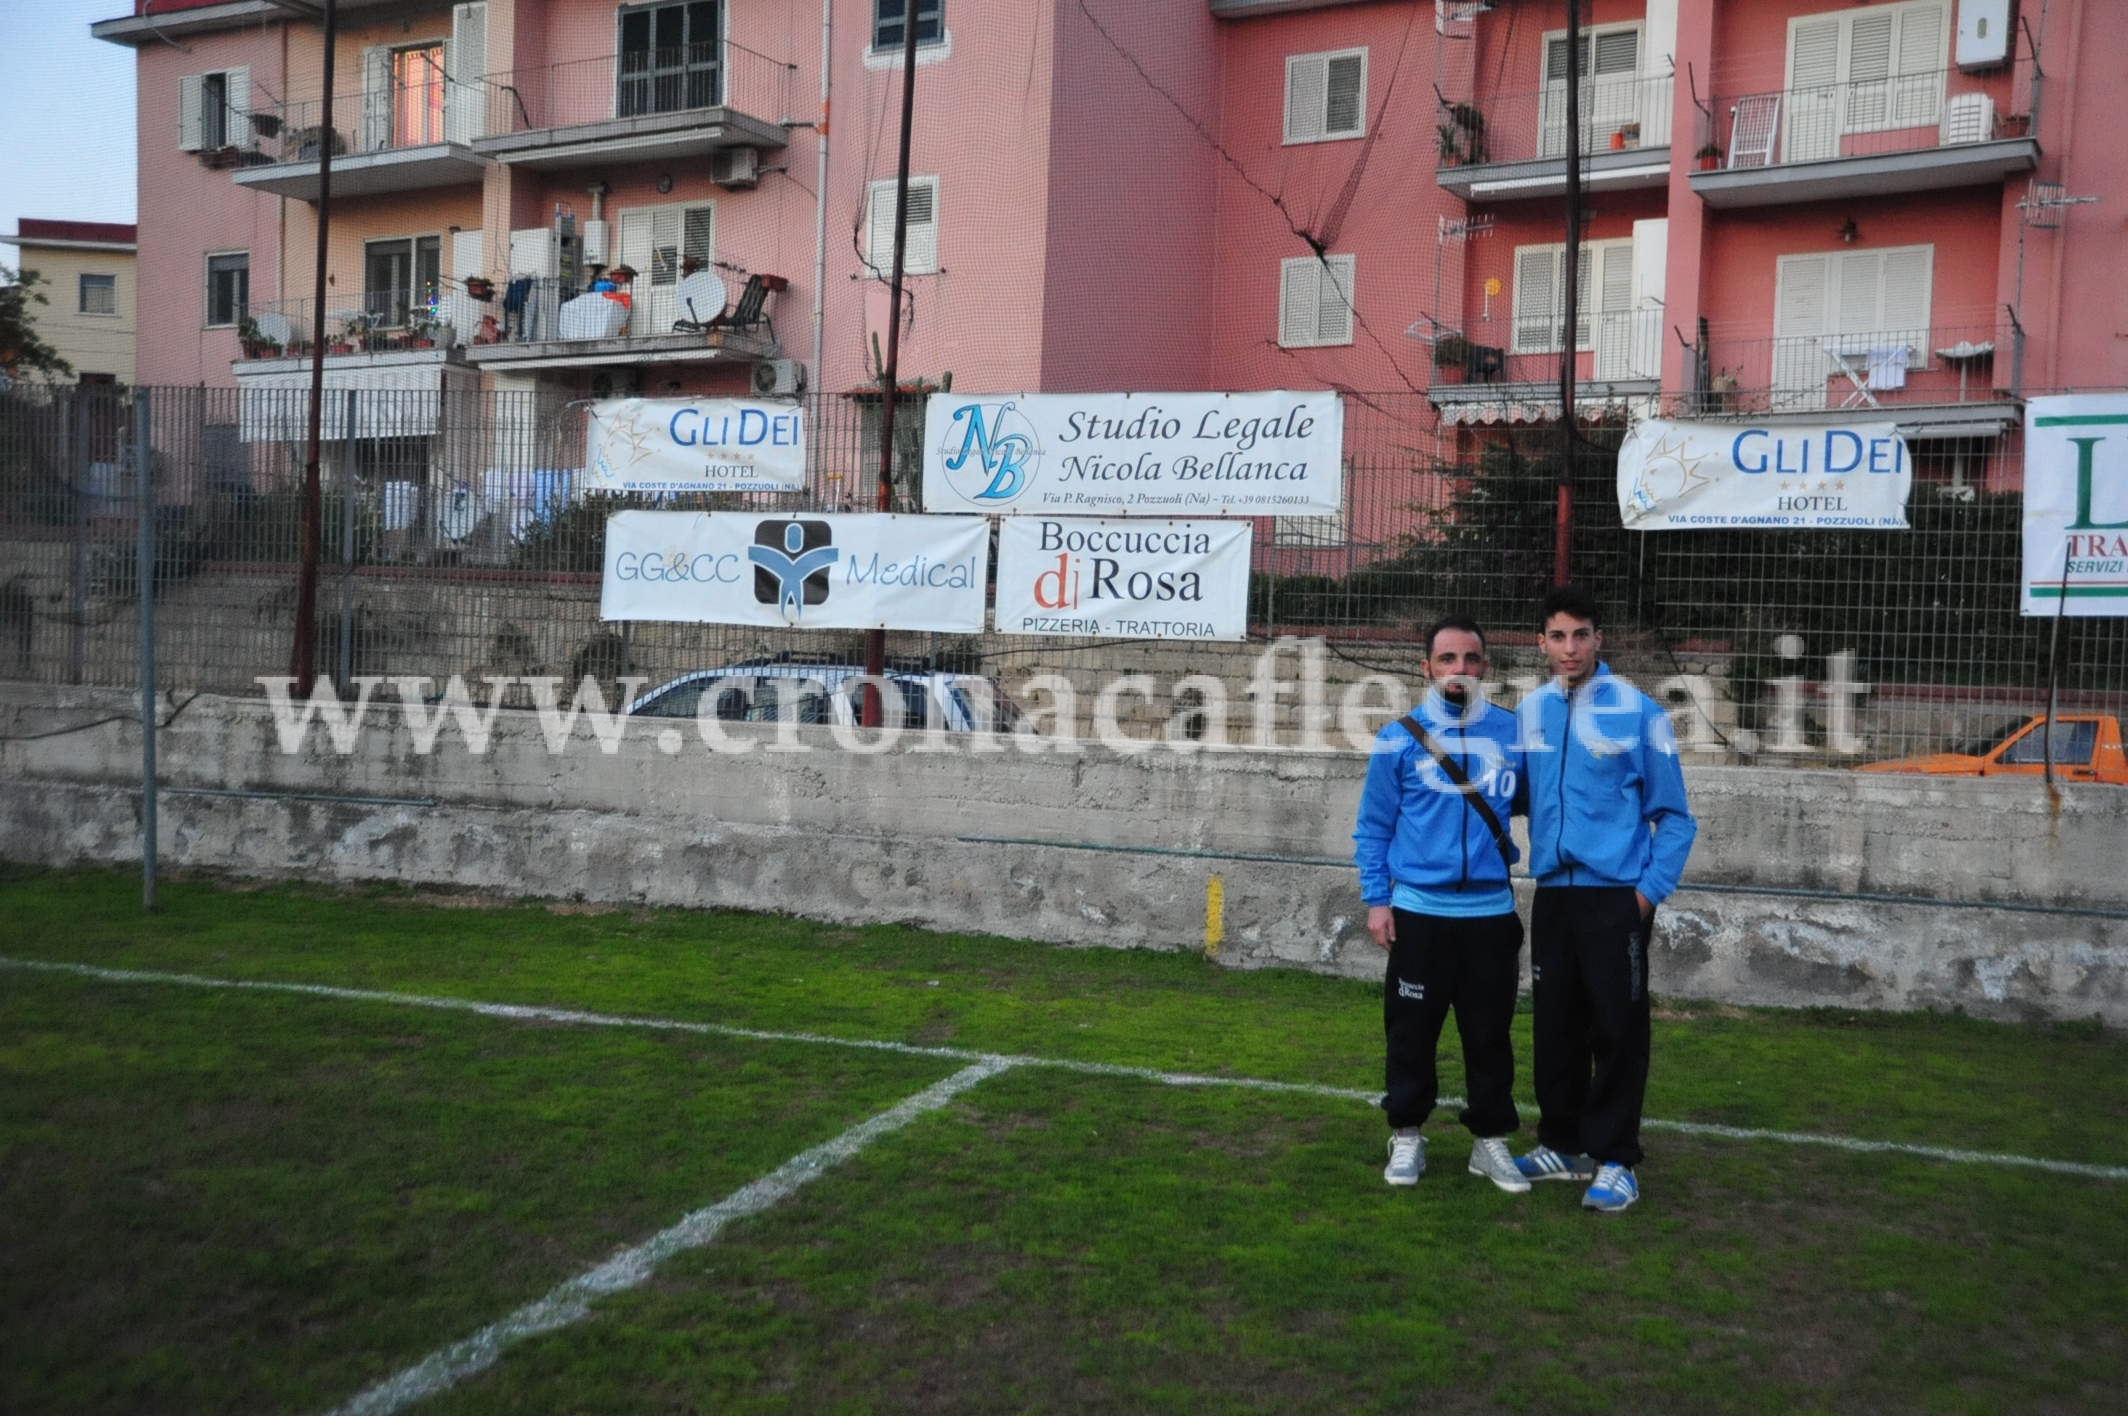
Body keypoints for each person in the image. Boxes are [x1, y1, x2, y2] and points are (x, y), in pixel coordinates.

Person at [1513, 586, 1697, 1213]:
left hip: (1614, 898)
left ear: (1599, 639)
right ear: (1541, 642)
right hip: (1553, 896)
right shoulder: (1531, 710)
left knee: (1617, 1030)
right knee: (1555, 1026)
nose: (1570, 648)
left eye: (1581, 634)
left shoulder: (1639, 711)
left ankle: (1617, 1159)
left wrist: (1644, 896)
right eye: (1558, 636)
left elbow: (1675, 817)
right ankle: (1562, 1145)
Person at [1353, 615, 1531, 1194]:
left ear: (1487, 666)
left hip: (1489, 915)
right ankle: (1407, 1135)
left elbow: (1540, 807)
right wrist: (1378, 900)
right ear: (1426, 666)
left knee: (1489, 1035)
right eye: (1448, 659)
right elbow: (1373, 827)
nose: (1461, 669)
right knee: (1411, 1032)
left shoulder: (1513, 734)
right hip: (1418, 914)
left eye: (1472, 659)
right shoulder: (1398, 736)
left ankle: (1491, 1143)